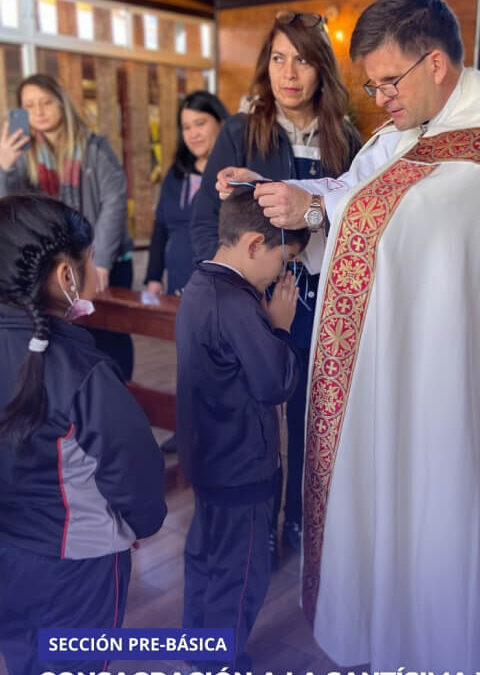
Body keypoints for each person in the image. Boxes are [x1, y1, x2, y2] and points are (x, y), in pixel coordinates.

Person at [217, 0, 480, 671]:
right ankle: (397, 620)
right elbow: (358, 187)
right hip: (420, 358)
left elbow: (419, 207)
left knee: (469, 483)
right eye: (371, 87)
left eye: (388, 84)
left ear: (435, 62)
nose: (379, 100)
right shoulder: (408, 125)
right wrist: (283, 189)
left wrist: (318, 207)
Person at [191, 10, 362, 565]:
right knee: (256, 413)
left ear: (322, 70)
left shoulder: (348, 138)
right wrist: (234, 291)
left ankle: (302, 518)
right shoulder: (241, 132)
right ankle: (259, 523)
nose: (289, 73)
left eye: (304, 60)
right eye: (279, 58)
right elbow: (203, 224)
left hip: (323, 297)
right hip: (254, 299)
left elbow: (360, 220)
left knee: (314, 414)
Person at [0, 195, 167, 675]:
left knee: (24, 657)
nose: (99, 275)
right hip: (76, 566)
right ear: (65, 277)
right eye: (92, 261)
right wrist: (135, 524)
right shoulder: (83, 371)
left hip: (8, 555)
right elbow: (137, 477)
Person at [176, 187, 309, 671]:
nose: (283, 273)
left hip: (208, 458)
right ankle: (222, 659)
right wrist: (279, 327)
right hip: (243, 466)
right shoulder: (237, 303)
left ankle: (197, 643)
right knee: (243, 570)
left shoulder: (198, 286)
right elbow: (276, 383)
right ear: (255, 244)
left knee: (205, 556)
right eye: (284, 258)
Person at [0, 73, 135, 379]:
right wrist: (4, 166)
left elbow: (114, 201)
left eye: (46, 102)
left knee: (111, 335)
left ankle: (117, 390)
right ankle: (80, 401)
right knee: (64, 336)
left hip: (102, 259)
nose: (39, 111)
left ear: (61, 103)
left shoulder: (94, 147)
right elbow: (11, 209)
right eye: (29, 106)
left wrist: (98, 260)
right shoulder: (23, 156)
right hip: (55, 265)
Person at [145, 90, 229, 296]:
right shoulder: (176, 175)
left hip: (221, 289)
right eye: (186, 127)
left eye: (200, 124)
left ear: (221, 122)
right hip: (178, 285)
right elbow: (161, 229)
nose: (193, 134)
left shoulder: (233, 176)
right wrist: (153, 278)